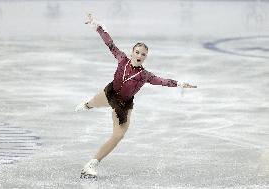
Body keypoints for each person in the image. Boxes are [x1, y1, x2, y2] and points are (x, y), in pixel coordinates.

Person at [76, 13, 197, 179]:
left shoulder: (144, 75)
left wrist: (180, 83)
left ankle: (91, 164)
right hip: (110, 93)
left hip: (124, 104)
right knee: (91, 103)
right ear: (132, 52)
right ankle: (87, 105)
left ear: (145, 57)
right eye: (138, 52)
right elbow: (109, 43)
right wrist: (96, 26)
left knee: (118, 135)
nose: (140, 56)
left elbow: (162, 81)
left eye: (143, 54)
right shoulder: (122, 59)